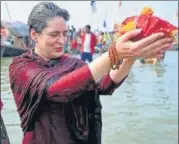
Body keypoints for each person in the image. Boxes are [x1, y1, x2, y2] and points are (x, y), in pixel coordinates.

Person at [8, 2, 173, 144]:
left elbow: (105, 85)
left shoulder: (72, 62)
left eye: (65, 34)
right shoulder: (21, 66)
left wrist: (130, 56)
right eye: (54, 34)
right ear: (34, 35)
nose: (62, 40)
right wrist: (113, 54)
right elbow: (56, 90)